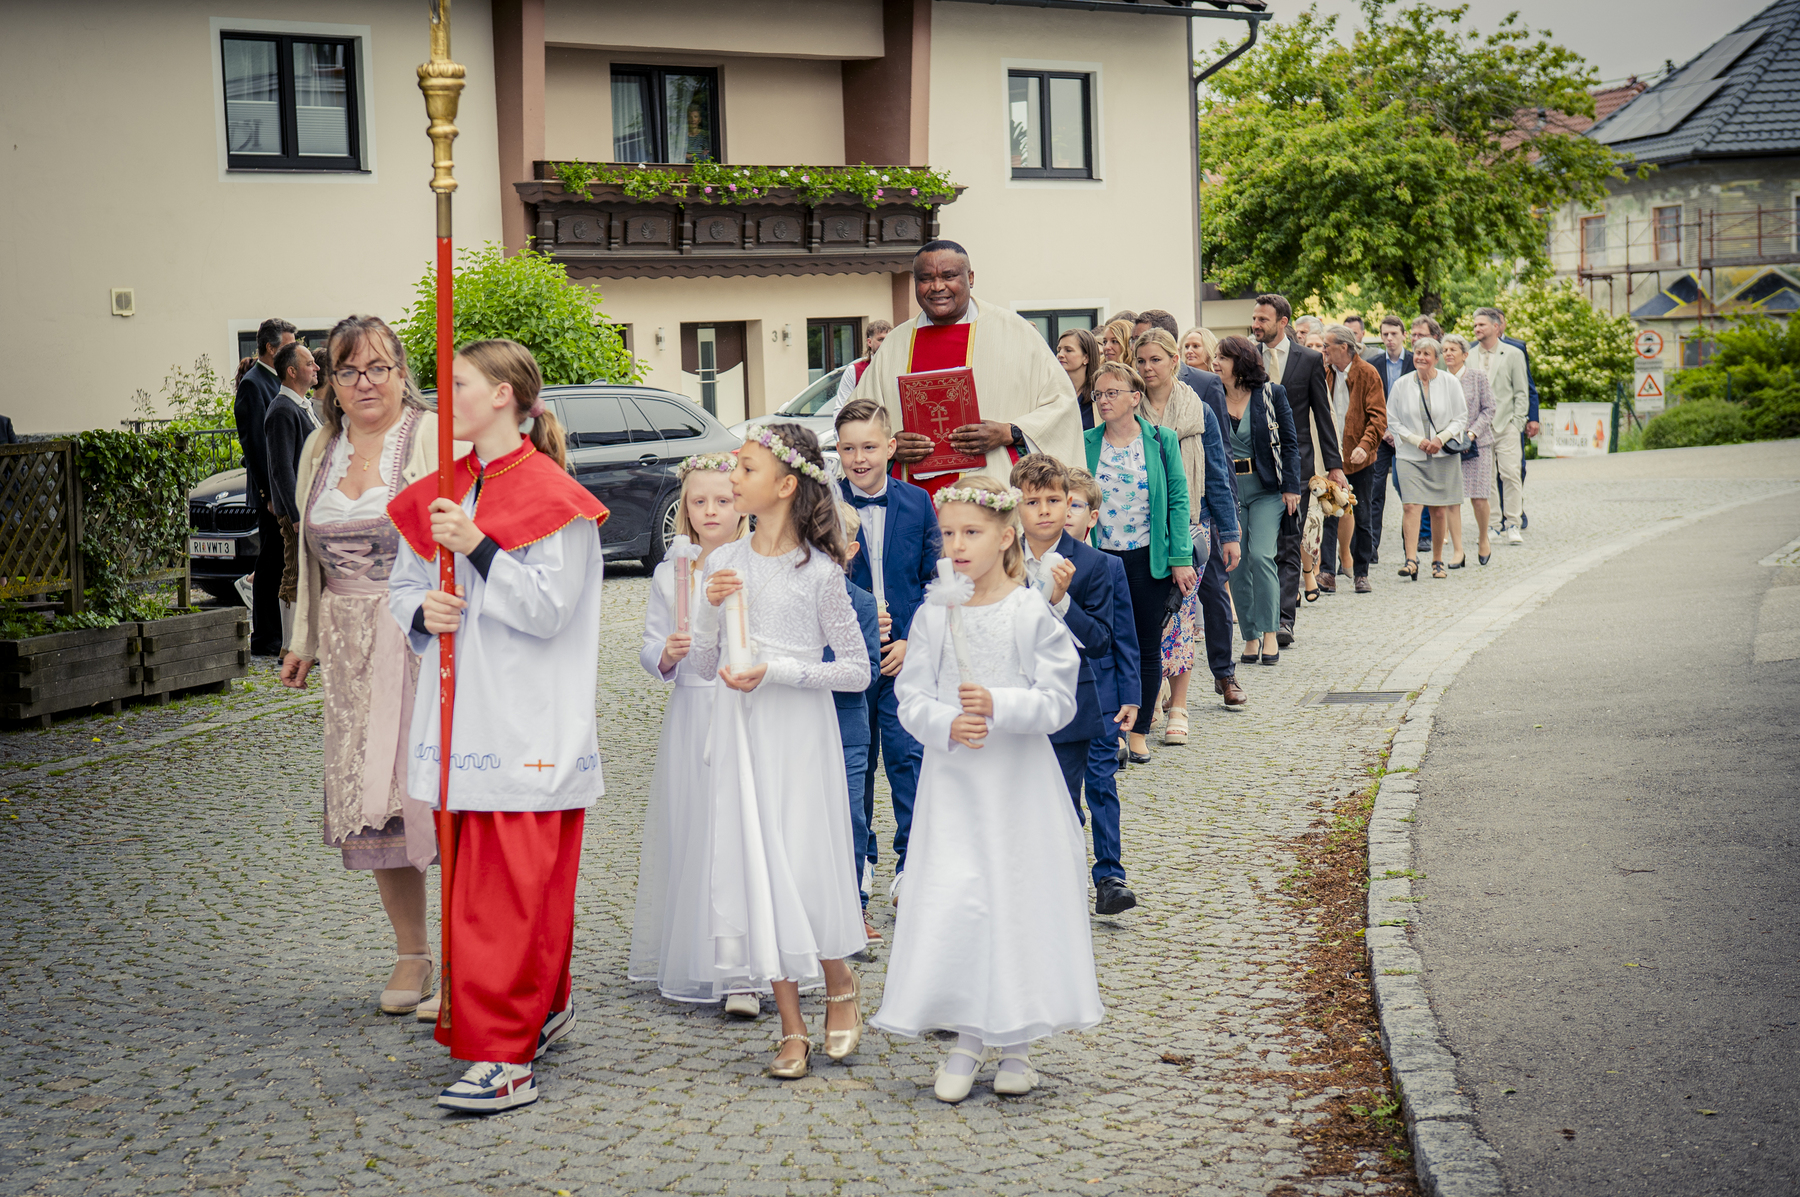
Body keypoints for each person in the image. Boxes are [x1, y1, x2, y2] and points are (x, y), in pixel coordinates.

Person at [388, 339, 607, 1112]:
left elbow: (550, 609)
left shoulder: (555, 499)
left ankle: (503, 1056)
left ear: (505, 395)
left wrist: (478, 546)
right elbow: (403, 584)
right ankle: (542, 1006)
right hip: (463, 716)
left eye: (459, 384)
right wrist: (423, 608)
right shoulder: (443, 491)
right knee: (490, 887)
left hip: (526, 723)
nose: (443, 398)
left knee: (510, 894)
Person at [872, 475, 1100, 1103]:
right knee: (961, 899)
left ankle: (1017, 1041)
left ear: (1005, 537)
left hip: (1017, 785)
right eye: (948, 534)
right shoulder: (934, 614)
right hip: (955, 786)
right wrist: (946, 723)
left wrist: (1000, 704)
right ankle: (968, 1035)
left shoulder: (1029, 612)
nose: (956, 546)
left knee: (1014, 898)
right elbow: (911, 695)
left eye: (971, 532)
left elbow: (1058, 700)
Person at [691, 422, 869, 1080]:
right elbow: (702, 663)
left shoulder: (818, 572)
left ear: (787, 485)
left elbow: (857, 670)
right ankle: (791, 1025)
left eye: (746, 468)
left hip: (797, 730)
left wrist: (780, 671)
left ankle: (839, 980)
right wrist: (706, 612)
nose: (732, 479)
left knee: (801, 861)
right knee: (757, 865)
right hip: (741, 729)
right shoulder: (724, 562)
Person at [277, 314, 441, 1022]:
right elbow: (305, 553)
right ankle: (413, 951)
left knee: (436, 787)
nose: (364, 382)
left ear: (402, 373)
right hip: (349, 644)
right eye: (348, 371)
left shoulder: (433, 436)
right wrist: (303, 639)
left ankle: (475, 955)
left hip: (423, 636)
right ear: (331, 384)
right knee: (377, 800)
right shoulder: (322, 446)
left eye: (378, 367)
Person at [630, 452, 756, 1010]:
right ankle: (698, 953)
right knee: (695, 823)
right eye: (698, 502)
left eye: (722, 500)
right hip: (691, 708)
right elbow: (649, 645)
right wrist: (666, 652)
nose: (710, 511)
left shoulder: (754, 564)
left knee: (738, 824)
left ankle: (746, 963)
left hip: (741, 705)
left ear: (741, 505)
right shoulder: (670, 573)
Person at [854, 241, 1082, 495]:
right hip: (912, 496)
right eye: (926, 278)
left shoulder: (1016, 333)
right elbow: (857, 419)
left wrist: (1008, 432)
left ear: (970, 278)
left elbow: (1062, 406)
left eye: (949, 276)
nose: (937, 287)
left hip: (994, 494)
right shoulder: (895, 344)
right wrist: (889, 444)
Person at [1010, 454, 1131, 915]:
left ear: (1068, 505)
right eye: (1032, 502)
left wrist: (1062, 602)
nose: (1043, 510)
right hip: (1011, 699)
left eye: (1053, 500)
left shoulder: (1094, 564)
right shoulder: (1001, 556)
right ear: (1017, 507)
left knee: (1064, 802)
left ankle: (1064, 893)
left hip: (1069, 704)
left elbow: (1101, 640)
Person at [833, 398, 941, 907]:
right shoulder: (821, 504)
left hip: (904, 656)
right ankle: (859, 859)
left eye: (870, 447)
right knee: (854, 763)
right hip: (846, 657)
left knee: (907, 760)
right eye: (849, 448)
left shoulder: (918, 503)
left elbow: (933, 581)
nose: (860, 458)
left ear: (891, 447)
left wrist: (911, 639)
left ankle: (909, 863)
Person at [1083, 362, 1195, 762]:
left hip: (1148, 559)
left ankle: (1139, 731)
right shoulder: (1085, 442)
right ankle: (1111, 731)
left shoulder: (1161, 440)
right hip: (1101, 559)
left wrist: (1180, 558)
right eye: (1098, 394)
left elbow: (1179, 500)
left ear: (1135, 397)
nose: (1104, 400)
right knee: (1104, 646)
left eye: (1113, 392)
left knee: (1147, 647)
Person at [1131, 328, 1238, 744]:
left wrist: (1229, 532)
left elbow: (1217, 472)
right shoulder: (1129, 407)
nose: (1147, 368)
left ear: (1175, 362)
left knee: (1180, 616)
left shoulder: (1199, 410)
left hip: (1191, 524)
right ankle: (1152, 690)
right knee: (1147, 617)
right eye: (1141, 361)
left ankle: (1179, 705)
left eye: (1155, 360)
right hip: (1140, 526)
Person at [1252, 295, 1342, 635]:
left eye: (1263, 319)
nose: (1256, 325)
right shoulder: (1248, 357)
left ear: (1283, 322)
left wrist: (1334, 465)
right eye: (1255, 318)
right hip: (1257, 465)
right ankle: (1263, 615)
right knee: (1262, 548)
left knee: (1289, 542)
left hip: (1297, 464)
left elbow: (1322, 415)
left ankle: (1284, 621)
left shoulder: (1309, 359)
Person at [1214, 335, 1301, 664]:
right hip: (1229, 491)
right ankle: (1250, 636)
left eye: (1222, 357)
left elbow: (1290, 443)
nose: (1215, 363)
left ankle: (1269, 633)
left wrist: (1291, 486)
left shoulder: (1271, 394)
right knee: (1235, 563)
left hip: (1266, 489)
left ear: (1240, 362)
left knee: (1262, 556)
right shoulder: (1211, 396)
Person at [828, 502, 883, 943]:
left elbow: (869, 671)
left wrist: (811, 671)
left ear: (851, 551)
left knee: (851, 816)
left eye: (831, 545)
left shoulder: (862, 603)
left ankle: (854, 904)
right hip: (799, 727)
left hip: (848, 730)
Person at [1065, 465, 1139, 793]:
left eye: (1075, 505)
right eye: (1061, 503)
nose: (1067, 513)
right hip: (1059, 690)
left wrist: (1131, 696)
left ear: (1092, 517)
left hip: (1103, 691)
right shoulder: (1026, 563)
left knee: (1101, 785)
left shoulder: (1110, 565)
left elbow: (1124, 637)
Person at [236, 317, 295, 655]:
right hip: (270, 493)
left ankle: (274, 632)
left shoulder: (273, 380)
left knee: (278, 561)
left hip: (279, 490)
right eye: (289, 345)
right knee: (270, 562)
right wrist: (268, 494)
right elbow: (256, 446)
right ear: (271, 348)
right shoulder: (254, 384)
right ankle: (265, 636)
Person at [1387, 337, 1468, 581]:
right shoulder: (1401, 384)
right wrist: (1416, 440)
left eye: (1426, 354)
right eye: (1418, 353)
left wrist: (1440, 439)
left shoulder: (1449, 382)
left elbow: (1460, 418)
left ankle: (1437, 560)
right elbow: (1393, 420)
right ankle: (1411, 560)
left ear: (1436, 358)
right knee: (1410, 506)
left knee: (1439, 510)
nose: (1421, 358)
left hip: (1442, 455)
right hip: (1410, 455)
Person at [1320, 325, 1386, 593]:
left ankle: (1361, 573)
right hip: (1332, 457)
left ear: (1344, 347)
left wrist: (1365, 445)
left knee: (1362, 515)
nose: (1323, 350)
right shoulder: (1323, 373)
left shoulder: (1368, 373)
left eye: (1327, 345)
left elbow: (1378, 417)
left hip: (1360, 459)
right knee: (1329, 513)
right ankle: (1327, 572)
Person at [264, 341, 320, 652]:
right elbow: (281, 468)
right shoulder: (282, 410)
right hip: (297, 511)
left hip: (310, 507)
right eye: (310, 363)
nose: (316, 367)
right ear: (292, 371)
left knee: (306, 573)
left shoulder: (299, 405)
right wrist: (296, 514)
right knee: (295, 573)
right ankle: (290, 646)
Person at [1470, 307, 1530, 546]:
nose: (1476, 329)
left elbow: (1521, 391)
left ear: (1496, 327)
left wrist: (1517, 423)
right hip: (1480, 427)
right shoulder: (1469, 355)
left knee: (1511, 474)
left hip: (1506, 424)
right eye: (1475, 325)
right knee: (1487, 478)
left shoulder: (1513, 353)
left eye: (1481, 325)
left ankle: (1513, 523)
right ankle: (1493, 525)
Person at [1441, 334, 1497, 566]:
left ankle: (1483, 538)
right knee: (1452, 500)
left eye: (1453, 349)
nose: (1448, 353)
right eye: (1445, 350)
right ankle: (1458, 550)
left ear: (1465, 354)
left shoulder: (1477, 377)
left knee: (1479, 499)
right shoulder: (1440, 379)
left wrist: (1472, 433)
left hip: (1477, 445)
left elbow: (1489, 408)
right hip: (1449, 447)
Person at [1365, 315, 1414, 565]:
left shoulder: (1415, 362)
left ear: (1404, 335)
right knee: (1375, 491)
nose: (1389, 339)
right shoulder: (1373, 364)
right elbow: (1369, 401)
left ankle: (1411, 547)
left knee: (1409, 490)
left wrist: (1401, 431)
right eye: (1385, 334)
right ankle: (1371, 547)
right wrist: (1384, 430)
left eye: (1394, 334)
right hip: (1381, 436)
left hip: (1409, 435)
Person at [1497, 311, 1541, 530]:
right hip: (1490, 421)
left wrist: (1532, 418)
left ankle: (1515, 508)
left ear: (1502, 324)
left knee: (1517, 468)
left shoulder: (1517, 347)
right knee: (1495, 471)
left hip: (1513, 420)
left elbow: (1527, 385)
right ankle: (1501, 514)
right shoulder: (1475, 350)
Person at [831, 320, 894, 411]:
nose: (885, 343)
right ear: (869, 342)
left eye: (888, 339)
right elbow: (841, 409)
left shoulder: (900, 368)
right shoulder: (853, 371)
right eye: (880, 339)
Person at [1057, 327, 1102, 429]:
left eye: (1068, 350)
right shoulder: (1052, 392)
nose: (1060, 355)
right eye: (1059, 350)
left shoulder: (1099, 394)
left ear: (1086, 357)